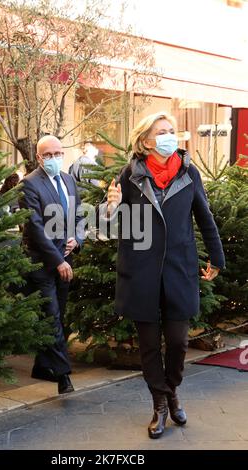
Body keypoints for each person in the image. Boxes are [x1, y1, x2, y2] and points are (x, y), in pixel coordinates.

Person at [106, 111, 225, 439]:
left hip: (179, 268)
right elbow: (114, 222)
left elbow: (204, 215)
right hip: (141, 270)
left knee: (177, 341)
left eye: (171, 131)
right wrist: (111, 208)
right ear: (146, 141)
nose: (169, 136)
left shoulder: (189, 172)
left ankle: (171, 388)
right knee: (148, 345)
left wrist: (217, 257)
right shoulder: (130, 174)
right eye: (162, 132)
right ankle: (160, 402)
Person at [20, 135, 83, 395]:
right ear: (39, 157)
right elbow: (33, 227)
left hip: (65, 258)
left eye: (58, 153)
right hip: (42, 263)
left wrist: (76, 239)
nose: (55, 158)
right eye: (49, 155)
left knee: (60, 313)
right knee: (52, 316)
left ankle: (42, 366)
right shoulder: (29, 184)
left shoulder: (69, 180)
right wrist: (57, 260)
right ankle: (63, 376)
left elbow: (79, 215)